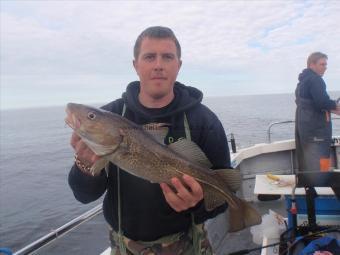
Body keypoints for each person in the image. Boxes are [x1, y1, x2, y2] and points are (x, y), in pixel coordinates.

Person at [68, 26, 231, 255]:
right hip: (125, 247)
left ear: (178, 65)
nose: (158, 65)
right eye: (149, 56)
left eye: (167, 57)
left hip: (188, 244)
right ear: (136, 65)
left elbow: (223, 197)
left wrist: (195, 206)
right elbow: (84, 196)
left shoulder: (204, 121)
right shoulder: (112, 116)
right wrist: (84, 166)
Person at [295, 52, 340, 173]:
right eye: (322, 64)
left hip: (305, 129)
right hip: (317, 130)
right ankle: (322, 185)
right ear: (312, 65)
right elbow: (321, 102)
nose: (325, 67)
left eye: (326, 64)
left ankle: (310, 187)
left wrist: (332, 106)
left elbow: (311, 103)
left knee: (308, 160)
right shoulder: (316, 80)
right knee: (321, 160)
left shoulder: (302, 82)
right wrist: (336, 105)